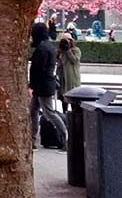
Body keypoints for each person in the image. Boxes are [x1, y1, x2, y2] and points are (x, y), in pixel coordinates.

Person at [29, 21, 68, 150]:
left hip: (42, 86)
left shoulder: (42, 49)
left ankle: (65, 136)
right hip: (45, 85)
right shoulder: (49, 47)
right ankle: (32, 139)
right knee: (34, 111)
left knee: (49, 112)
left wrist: (32, 85)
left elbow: (38, 69)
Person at [56, 33, 82, 114]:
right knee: (64, 101)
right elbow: (58, 62)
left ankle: (74, 121)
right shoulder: (61, 52)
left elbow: (74, 60)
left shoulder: (76, 50)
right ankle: (65, 117)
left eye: (67, 40)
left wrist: (68, 50)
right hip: (63, 78)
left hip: (72, 79)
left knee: (74, 101)